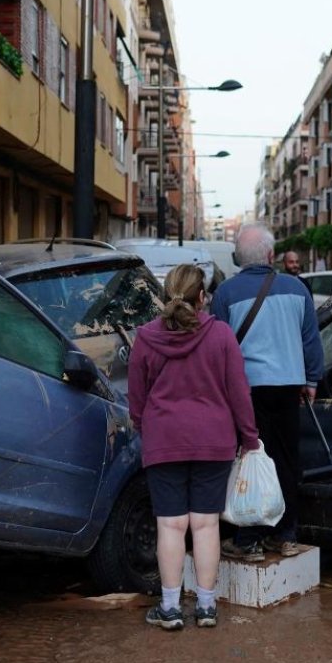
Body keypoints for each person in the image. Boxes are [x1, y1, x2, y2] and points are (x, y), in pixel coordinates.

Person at [127, 264, 260, 631]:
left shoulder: (146, 338)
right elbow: (239, 393)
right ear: (203, 297)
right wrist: (250, 438)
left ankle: (170, 609)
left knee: (169, 525)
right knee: (205, 525)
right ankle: (205, 607)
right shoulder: (220, 336)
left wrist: (145, 425)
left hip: (164, 439)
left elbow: (136, 397)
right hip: (213, 441)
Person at [212, 224, 324, 561]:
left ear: (238, 259)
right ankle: (285, 534)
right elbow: (311, 340)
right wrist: (312, 380)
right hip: (289, 387)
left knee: (251, 460)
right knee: (287, 462)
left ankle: (249, 539)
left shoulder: (225, 294)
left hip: (246, 391)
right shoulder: (296, 288)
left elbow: (217, 347)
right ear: (272, 256)